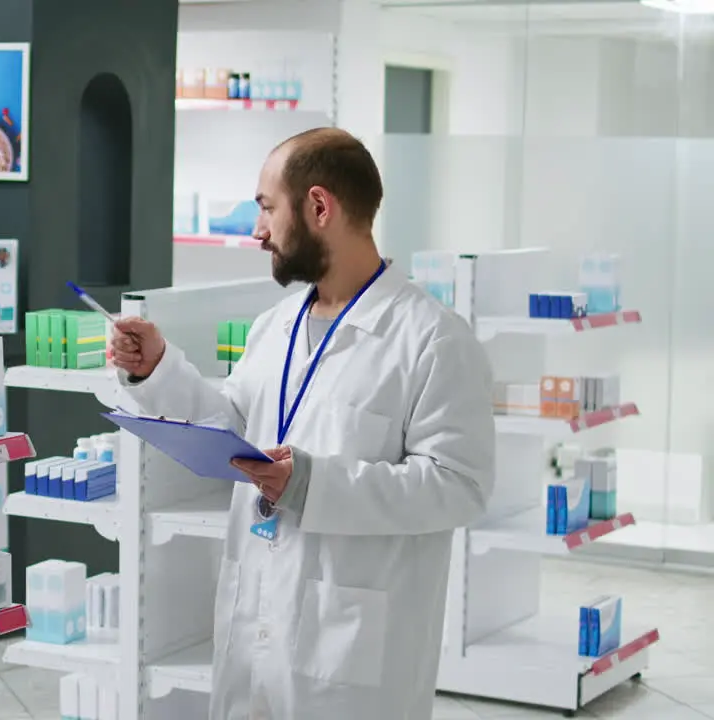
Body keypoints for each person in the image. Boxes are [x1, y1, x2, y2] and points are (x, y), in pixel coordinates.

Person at [111, 128, 495, 720]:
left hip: (350, 658)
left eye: (267, 208)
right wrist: (159, 369)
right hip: (257, 620)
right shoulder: (277, 325)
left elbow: (459, 487)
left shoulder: (433, 340)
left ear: (319, 207)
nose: (257, 230)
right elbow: (235, 426)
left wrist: (315, 485)